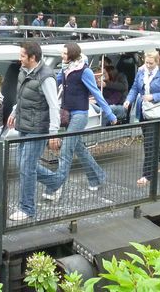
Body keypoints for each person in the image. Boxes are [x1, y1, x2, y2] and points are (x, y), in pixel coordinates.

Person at [41, 43, 117, 201]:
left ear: (72, 54)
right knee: (79, 149)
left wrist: (109, 113)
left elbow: (96, 92)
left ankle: (55, 188)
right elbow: (54, 81)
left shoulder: (85, 71)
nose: (62, 55)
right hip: (68, 114)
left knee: (66, 150)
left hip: (80, 115)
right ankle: (97, 177)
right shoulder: (65, 67)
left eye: (64, 53)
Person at [7, 41, 60, 222]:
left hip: (38, 128)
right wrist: (15, 112)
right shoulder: (24, 71)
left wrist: (53, 132)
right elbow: (22, 97)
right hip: (24, 125)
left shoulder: (46, 77)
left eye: (22, 55)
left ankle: (27, 208)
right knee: (23, 164)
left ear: (33, 58)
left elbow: (54, 106)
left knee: (27, 167)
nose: (19, 58)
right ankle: (55, 182)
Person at [123, 51, 160, 186]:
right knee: (150, 140)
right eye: (146, 62)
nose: (148, 65)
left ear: (157, 62)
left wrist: (153, 97)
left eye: (151, 63)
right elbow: (134, 89)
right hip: (143, 111)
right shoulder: (141, 72)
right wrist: (128, 100)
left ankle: (147, 175)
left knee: (148, 143)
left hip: (156, 112)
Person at [100, 57, 129, 122]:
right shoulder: (105, 83)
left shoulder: (120, 79)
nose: (102, 75)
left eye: (104, 73)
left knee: (107, 109)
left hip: (119, 105)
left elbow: (113, 100)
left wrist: (106, 85)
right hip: (107, 104)